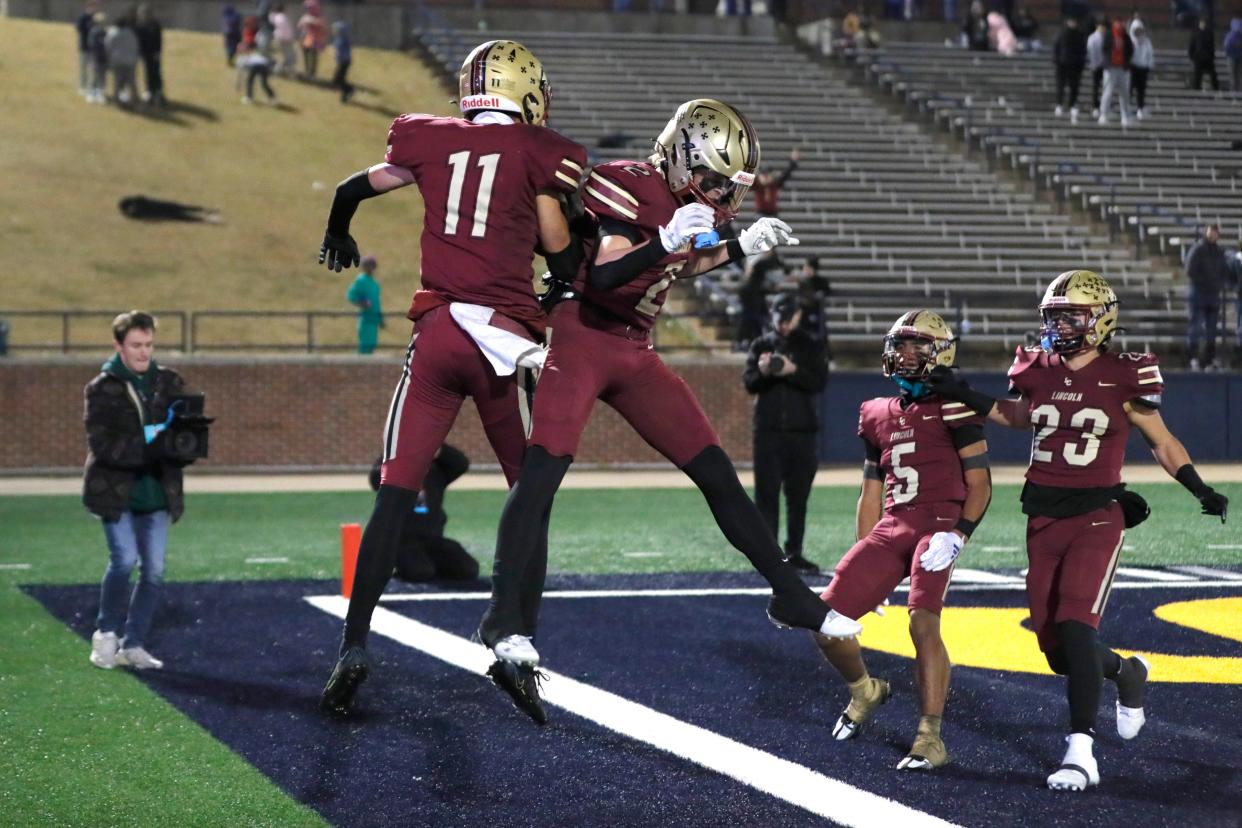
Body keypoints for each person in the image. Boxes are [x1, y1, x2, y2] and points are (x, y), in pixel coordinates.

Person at [476, 98, 862, 725]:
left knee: (714, 470)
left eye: (726, 188)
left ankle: (794, 596)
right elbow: (604, 280)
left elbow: (682, 262)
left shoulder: (689, 210)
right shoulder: (627, 184)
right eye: (711, 180)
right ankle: (501, 617)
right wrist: (665, 238)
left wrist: (741, 245)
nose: (718, 196)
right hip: (582, 336)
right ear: (681, 157)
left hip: (633, 348)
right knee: (541, 476)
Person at [315, 39, 588, 716]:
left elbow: (355, 187)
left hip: (438, 336)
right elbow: (561, 251)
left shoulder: (428, 139)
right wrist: (568, 272)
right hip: (500, 343)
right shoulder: (542, 151)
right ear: (524, 89)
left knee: (392, 490)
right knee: (530, 492)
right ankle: (515, 637)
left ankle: (354, 644)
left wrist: (339, 231)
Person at [927, 269, 1229, 791]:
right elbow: (1022, 417)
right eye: (1055, 315)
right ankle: (1126, 673)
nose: (1060, 325)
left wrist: (1198, 487)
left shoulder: (1125, 375)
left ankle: (1080, 751)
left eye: (1071, 315)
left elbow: (1161, 441)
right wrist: (967, 393)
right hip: (1042, 515)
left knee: (1076, 625)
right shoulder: (1037, 367)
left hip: (1097, 514)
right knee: (1057, 650)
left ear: (1101, 320)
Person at [815, 310, 991, 771]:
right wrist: (862, 549)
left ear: (941, 353)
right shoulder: (875, 412)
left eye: (917, 346)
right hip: (892, 526)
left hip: (936, 526)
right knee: (826, 622)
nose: (904, 354)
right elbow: (870, 490)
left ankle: (930, 736)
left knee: (922, 624)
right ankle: (865, 690)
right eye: (900, 345)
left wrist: (959, 534)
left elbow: (981, 486)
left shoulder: (955, 407)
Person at [85, 311, 191, 672]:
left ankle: (134, 643)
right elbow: (103, 445)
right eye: (135, 345)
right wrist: (150, 441)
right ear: (119, 345)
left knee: (155, 570)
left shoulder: (168, 382)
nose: (143, 352)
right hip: (117, 492)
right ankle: (106, 633)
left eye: (148, 345)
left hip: (158, 492)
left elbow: (183, 438)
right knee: (124, 560)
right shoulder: (103, 387)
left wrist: (186, 441)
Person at [744, 294, 829, 573]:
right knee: (766, 496)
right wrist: (764, 370)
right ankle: (770, 558)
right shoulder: (761, 345)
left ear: (797, 316)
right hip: (767, 433)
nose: (782, 325)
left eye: (787, 319)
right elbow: (750, 384)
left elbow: (818, 382)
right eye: (778, 319)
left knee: (798, 497)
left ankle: (794, 553)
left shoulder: (811, 346)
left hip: (802, 433)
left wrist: (793, 370)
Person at [367, 445, 478, 582]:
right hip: (402, 541)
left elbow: (461, 464)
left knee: (468, 569)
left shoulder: (437, 471)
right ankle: (397, 564)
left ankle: (428, 563)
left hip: (432, 539)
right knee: (420, 572)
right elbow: (376, 478)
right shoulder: (394, 468)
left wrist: (438, 449)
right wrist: (400, 456)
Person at [1185, 223, 1229, 370]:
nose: (1212, 234)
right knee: (1195, 327)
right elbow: (1190, 269)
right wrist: (1204, 283)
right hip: (1198, 293)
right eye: (1211, 231)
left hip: (1213, 295)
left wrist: (1218, 285)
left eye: (1215, 232)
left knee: (1212, 329)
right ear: (1206, 232)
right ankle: (1193, 358)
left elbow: (1224, 271)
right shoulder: (1198, 249)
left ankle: (1209, 359)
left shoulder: (1219, 252)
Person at [1098, 17, 1133, 126]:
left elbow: (1130, 49)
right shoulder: (1109, 35)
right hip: (1111, 67)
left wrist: (1126, 62)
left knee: (1124, 93)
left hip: (1122, 68)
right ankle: (1103, 114)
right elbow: (1104, 49)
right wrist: (1108, 62)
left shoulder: (1125, 36)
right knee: (1108, 91)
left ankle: (1125, 115)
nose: (1119, 25)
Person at [346, 255, 383, 354]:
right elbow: (350, 295)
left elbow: (377, 303)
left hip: (374, 320)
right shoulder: (360, 280)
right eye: (367, 265)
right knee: (364, 346)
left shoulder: (375, 284)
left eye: (371, 265)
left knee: (372, 345)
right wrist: (361, 302)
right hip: (365, 319)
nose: (370, 268)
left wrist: (380, 319)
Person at [1054, 16, 1088, 122]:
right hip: (1063, 64)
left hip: (1075, 65)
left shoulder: (1079, 35)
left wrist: (1081, 63)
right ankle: (1060, 104)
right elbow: (1056, 48)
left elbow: (1083, 50)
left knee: (1074, 86)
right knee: (1061, 85)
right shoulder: (1062, 34)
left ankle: (1072, 105)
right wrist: (1057, 60)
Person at [105, 12, 140, 107]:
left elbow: (108, 46)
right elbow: (136, 47)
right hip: (130, 61)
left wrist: (108, 60)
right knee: (132, 82)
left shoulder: (112, 33)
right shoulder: (131, 33)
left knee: (117, 82)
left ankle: (117, 100)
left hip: (118, 61)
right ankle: (135, 100)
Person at [752, 147, 799, 218]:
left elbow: (786, 173)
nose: (765, 178)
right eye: (763, 176)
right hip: (760, 213)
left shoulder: (775, 184)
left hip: (773, 213)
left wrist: (793, 161)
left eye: (767, 175)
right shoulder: (756, 184)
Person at [135, 4, 164, 106]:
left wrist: (158, 52)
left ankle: (158, 92)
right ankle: (149, 91)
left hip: (154, 54)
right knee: (147, 72)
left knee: (155, 73)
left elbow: (159, 41)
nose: (142, 15)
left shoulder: (155, 25)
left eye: (144, 13)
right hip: (144, 53)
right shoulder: (139, 25)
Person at [1128, 17, 1154, 118]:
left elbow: (1150, 54)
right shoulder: (1130, 41)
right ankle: (1127, 107)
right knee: (1130, 88)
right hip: (1133, 68)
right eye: (1136, 30)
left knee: (1141, 90)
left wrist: (1149, 65)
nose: (1138, 32)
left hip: (1143, 68)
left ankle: (1140, 108)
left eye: (1140, 30)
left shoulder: (1146, 41)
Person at [297, 0, 327, 79]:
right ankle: (307, 72)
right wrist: (306, 22)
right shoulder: (305, 16)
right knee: (306, 55)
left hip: (314, 40)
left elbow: (323, 28)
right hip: (305, 39)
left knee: (313, 56)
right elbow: (299, 25)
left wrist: (315, 23)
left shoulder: (318, 17)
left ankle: (312, 73)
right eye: (308, 8)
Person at [77, 0, 100, 96]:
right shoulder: (83, 17)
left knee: (93, 68)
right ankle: (82, 87)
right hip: (84, 46)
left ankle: (92, 87)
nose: (96, 8)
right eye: (94, 5)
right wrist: (89, 27)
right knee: (83, 68)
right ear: (89, 6)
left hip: (94, 48)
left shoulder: (97, 18)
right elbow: (79, 28)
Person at [1189, 17, 1220, 91]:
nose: (1203, 25)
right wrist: (1192, 57)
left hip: (1208, 58)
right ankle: (1196, 89)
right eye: (1202, 23)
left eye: (1204, 23)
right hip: (1198, 58)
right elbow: (1192, 46)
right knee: (1197, 76)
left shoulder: (1209, 33)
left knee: (1213, 74)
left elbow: (1212, 46)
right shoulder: (1195, 33)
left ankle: (1216, 88)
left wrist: (1212, 56)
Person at [269, 3, 297, 76]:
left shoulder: (274, 16)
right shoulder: (282, 17)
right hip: (285, 39)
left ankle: (280, 71)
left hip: (280, 38)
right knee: (290, 57)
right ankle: (281, 72)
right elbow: (285, 29)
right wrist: (290, 38)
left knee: (284, 57)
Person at [330, 20, 353, 103]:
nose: (333, 31)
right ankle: (346, 93)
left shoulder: (343, 39)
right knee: (338, 79)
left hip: (344, 62)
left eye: (335, 30)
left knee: (339, 79)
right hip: (342, 62)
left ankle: (349, 90)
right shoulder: (339, 39)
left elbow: (342, 51)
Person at [1086, 20, 1105, 116]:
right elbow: (1091, 51)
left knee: (1105, 87)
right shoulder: (1092, 38)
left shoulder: (1105, 37)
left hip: (1104, 65)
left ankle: (1104, 106)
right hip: (1096, 65)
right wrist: (1093, 64)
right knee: (1096, 86)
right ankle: (1095, 106)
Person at [1225, 17, 1242, 91]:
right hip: (1232, 57)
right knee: (1233, 76)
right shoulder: (1230, 35)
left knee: (1237, 76)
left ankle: (1237, 91)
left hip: (1238, 56)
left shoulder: (1239, 36)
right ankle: (1233, 92)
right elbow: (1226, 46)